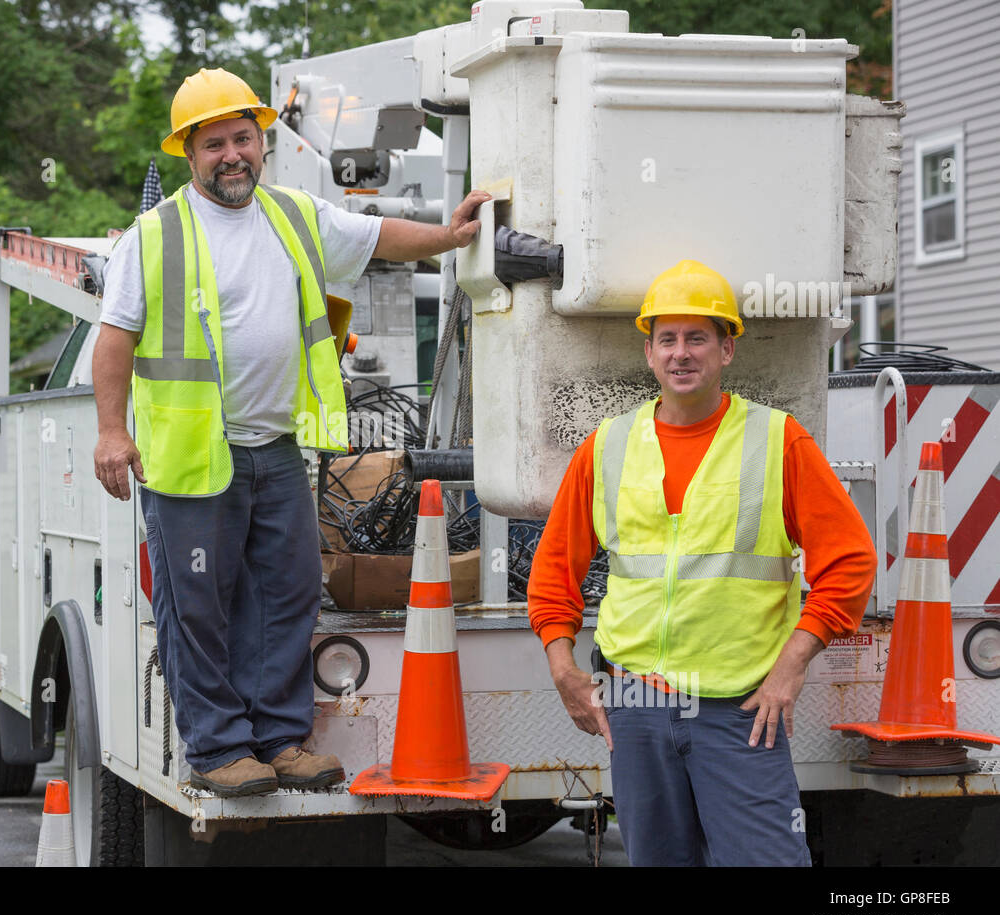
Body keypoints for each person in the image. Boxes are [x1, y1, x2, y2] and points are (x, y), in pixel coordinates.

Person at [92, 68, 489, 796]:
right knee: (199, 608)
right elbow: (114, 337)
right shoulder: (156, 235)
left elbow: (378, 237)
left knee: (288, 594)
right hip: (191, 458)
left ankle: (277, 740)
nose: (232, 154)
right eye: (215, 144)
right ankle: (217, 750)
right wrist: (111, 432)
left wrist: (451, 234)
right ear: (190, 152)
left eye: (244, 137)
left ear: (263, 141)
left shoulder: (294, 215)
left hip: (275, 449)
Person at [527, 260, 876, 866]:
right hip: (634, 702)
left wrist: (792, 666)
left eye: (697, 338)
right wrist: (563, 667)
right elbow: (554, 569)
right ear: (650, 352)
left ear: (726, 350)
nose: (681, 353)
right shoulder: (607, 446)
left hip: (739, 705)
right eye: (668, 339)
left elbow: (849, 563)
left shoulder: (778, 440)